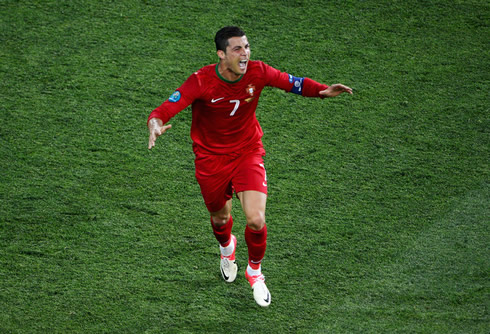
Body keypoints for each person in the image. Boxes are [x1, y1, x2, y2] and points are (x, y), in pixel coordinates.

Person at [147, 26, 352, 307]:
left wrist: (322, 91)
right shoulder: (201, 81)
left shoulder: (258, 71)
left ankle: (254, 272)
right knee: (220, 219)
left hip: (247, 152)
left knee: (256, 219)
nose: (245, 54)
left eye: (247, 47)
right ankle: (226, 248)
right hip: (211, 159)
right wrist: (155, 124)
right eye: (237, 49)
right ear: (221, 54)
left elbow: (292, 82)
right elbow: (168, 107)